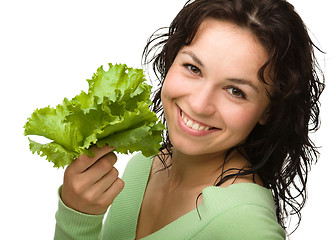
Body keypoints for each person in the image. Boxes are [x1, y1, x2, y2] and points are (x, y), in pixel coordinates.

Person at [54, 0, 325, 239]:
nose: (199, 104)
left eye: (235, 91)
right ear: (171, 60)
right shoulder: (143, 166)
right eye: (193, 68)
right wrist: (78, 215)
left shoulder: (246, 225)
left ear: (269, 111)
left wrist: (77, 221)